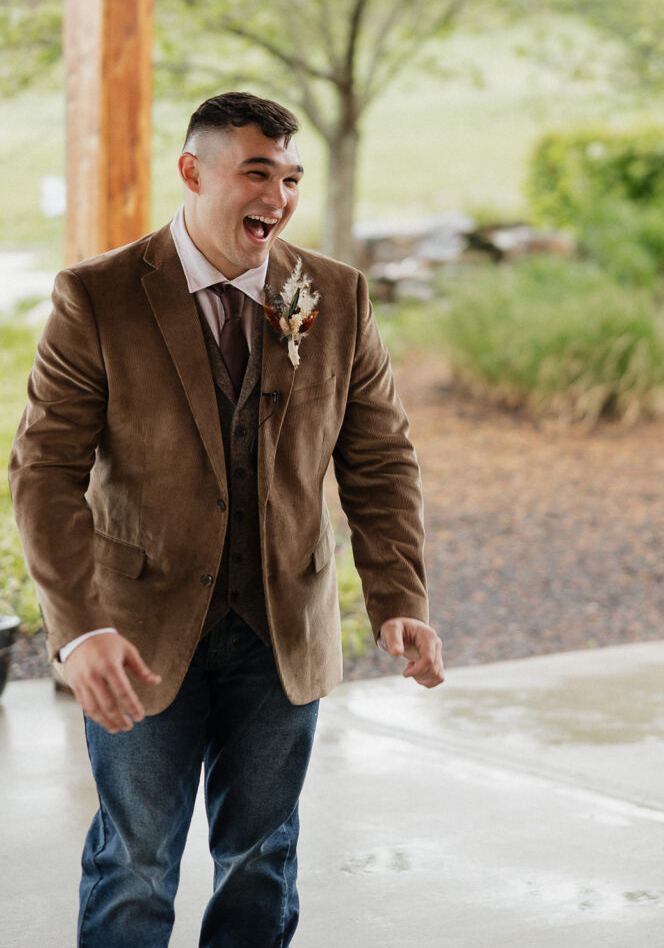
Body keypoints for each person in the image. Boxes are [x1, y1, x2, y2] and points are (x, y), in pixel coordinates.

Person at [9, 92, 444, 948]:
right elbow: (44, 473)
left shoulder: (336, 296)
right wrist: (78, 628)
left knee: (261, 858)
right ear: (191, 171)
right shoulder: (97, 297)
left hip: (282, 628)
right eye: (255, 173)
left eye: (289, 177)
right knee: (134, 863)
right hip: (139, 631)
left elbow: (380, 459)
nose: (277, 198)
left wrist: (400, 595)